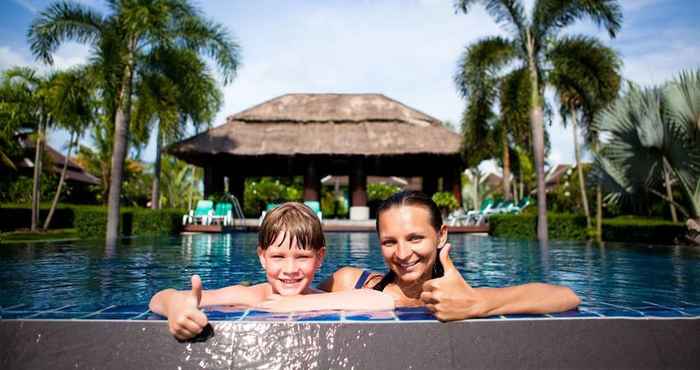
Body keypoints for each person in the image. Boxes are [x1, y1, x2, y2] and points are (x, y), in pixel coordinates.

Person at [318, 191, 581, 321]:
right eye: (389, 242)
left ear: (441, 235)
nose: (402, 253)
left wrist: (477, 303)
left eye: (415, 238)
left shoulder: (456, 296)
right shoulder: (349, 281)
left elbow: (567, 297)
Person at [150, 202, 393, 340]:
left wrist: (295, 305)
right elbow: (158, 298)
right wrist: (175, 307)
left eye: (302, 257)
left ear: (319, 258)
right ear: (262, 257)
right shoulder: (250, 296)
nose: (290, 269)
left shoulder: (320, 297)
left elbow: (382, 300)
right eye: (278, 256)